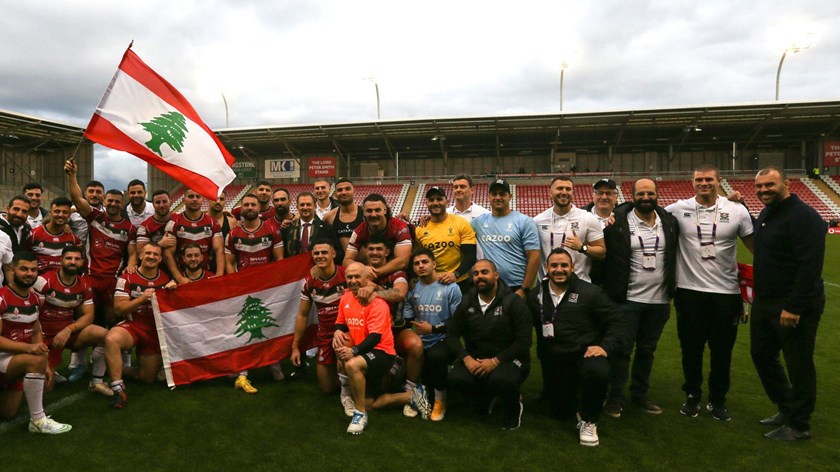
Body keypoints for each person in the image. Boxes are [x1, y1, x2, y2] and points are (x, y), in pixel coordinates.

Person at [665, 165, 754, 421]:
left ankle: (718, 399)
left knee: (722, 351)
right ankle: (692, 395)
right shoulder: (678, 209)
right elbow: (644, 210)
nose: (704, 183)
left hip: (726, 294)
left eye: (709, 179)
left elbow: (755, 244)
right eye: (699, 179)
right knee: (690, 350)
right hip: (689, 292)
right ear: (692, 182)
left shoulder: (736, 210)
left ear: (719, 181)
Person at [751, 167, 826, 441]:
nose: (763, 191)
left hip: (794, 304)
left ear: (786, 184)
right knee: (761, 354)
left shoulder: (804, 216)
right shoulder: (767, 213)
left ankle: (800, 424)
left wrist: (794, 307)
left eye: (769, 185)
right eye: (759, 187)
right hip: (766, 301)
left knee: (799, 364)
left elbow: (810, 267)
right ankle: (786, 407)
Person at [526, 248, 626, 447]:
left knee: (598, 372)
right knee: (560, 413)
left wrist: (605, 346)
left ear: (573, 267)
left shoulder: (591, 292)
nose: (559, 269)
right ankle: (578, 396)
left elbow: (618, 321)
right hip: (556, 359)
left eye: (564, 265)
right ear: (547, 268)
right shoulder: (536, 295)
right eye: (554, 265)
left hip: (585, 355)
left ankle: (590, 420)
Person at [602, 178, 679, 417]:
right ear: (632, 196)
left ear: (657, 194)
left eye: (650, 193)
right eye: (641, 193)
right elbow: (591, 212)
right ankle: (616, 397)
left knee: (647, 350)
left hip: (659, 300)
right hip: (628, 299)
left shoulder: (669, 221)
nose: (646, 197)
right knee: (622, 350)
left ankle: (640, 394)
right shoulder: (619, 220)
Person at [333, 262, 428, 434]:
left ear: (366, 279)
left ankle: (359, 414)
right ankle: (411, 396)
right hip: (363, 351)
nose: (353, 280)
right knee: (371, 403)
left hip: (382, 353)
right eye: (349, 277)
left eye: (357, 277)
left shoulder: (378, 303)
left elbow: (375, 337)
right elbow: (340, 322)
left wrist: (353, 351)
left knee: (351, 364)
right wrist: (337, 333)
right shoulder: (345, 298)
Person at [445, 259, 532, 430]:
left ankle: (514, 407)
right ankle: (486, 396)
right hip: (476, 359)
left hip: (509, 360)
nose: (480, 277)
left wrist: (495, 361)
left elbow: (524, 341)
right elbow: (451, 335)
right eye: (476, 274)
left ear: (496, 275)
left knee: (502, 380)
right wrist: (466, 358)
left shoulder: (514, 303)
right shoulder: (466, 302)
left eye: (485, 272)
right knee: (456, 379)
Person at [0, 252, 72, 434]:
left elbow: (36, 331)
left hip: (16, 361)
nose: (29, 273)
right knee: (35, 360)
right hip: (5, 359)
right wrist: (30, 350)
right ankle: (38, 420)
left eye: (33, 270)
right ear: (12, 269)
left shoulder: (34, 299)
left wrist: (45, 364)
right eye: (24, 269)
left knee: (7, 413)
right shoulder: (2, 298)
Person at [65, 160, 136, 327]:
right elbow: (77, 198)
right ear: (104, 201)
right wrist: (72, 175)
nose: (113, 204)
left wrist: (131, 265)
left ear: (122, 203)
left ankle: (112, 348)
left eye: (117, 201)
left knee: (113, 318)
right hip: (90, 276)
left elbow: (133, 253)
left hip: (112, 279)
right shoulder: (95, 217)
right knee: (84, 316)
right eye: (110, 201)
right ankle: (80, 352)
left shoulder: (130, 228)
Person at [224, 193, 284, 392]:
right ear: (241, 208)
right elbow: (229, 262)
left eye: (253, 204)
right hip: (243, 289)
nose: (249, 207)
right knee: (246, 329)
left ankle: (274, 363)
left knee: (270, 326)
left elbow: (279, 261)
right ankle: (243, 370)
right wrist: (236, 284)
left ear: (260, 208)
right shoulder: (233, 234)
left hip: (267, 288)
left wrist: (273, 285)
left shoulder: (272, 230)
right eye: (246, 204)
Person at [33, 246, 111, 396]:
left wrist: (68, 330)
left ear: (82, 262)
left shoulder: (84, 284)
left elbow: (89, 316)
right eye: (69, 258)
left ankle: (97, 382)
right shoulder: (44, 281)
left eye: (77, 259)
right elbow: (33, 314)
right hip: (43, 336)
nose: (72, 262)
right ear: (61, 260)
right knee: (46, 388)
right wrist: (38, 340)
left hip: (66, 333)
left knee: (104, 334)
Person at [105, 243, 174, 409]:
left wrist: (173, 291)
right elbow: (119, 308)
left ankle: (120, 369)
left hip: (155, 330)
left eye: (156, 254)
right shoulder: (126, 278)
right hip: (134, 325)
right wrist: (142, 299)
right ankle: (117, 387)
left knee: (147, 378)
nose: (151, 257)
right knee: (112, 338)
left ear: (160, 259)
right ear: (141, 256)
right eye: (148, 253)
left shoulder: (165, 278)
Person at [359, 236, 420, 418]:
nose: (375, 252)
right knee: (382, 387)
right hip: (369, 331)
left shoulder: (397, 273)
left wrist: (374, 290)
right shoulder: (361, 273)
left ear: (387, 252)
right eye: (371, 249)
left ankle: (411, 389)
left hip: (395, 330)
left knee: (415, 345)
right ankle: (347, 392)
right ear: (366, 252)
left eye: (379, 249)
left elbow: (399, 293)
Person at [403, 248, 462, 421]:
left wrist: (433, 329)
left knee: (437, 356)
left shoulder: (451, 288)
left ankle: (439, 401)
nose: (421, 266)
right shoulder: (412, 290)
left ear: (434, 264)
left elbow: (458, 324)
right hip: (421, 340)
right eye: (416, 263)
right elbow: (407, 319)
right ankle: (415, 395)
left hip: (444, 338)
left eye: (425, 262)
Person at [291, 238, 346, 394]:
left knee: (348, 365)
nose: (320, 256)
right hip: (325, 335)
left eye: (324, 252)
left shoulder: (346, 275)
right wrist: (295, 346)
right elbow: (302, 315)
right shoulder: (309, 283)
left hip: (345, 333)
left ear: (333, 254)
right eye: (316, 253)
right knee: (326, 389)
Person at [471, 179, 540, 298]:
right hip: (491, 287)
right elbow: (457, 230)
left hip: (517, 286)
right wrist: (430, 219)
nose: (498, 197)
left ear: (510, 196)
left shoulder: (524, 221)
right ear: (489, 197)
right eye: (494, 194)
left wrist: (524, 289)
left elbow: (534, 256)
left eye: (502, 194)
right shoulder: (479, 222)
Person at [533, 176, 605, 282]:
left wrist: (582, 247)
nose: (564, 192)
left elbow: (601, 252)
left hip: (579, 285)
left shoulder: (587, 218)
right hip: (548, 286)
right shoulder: (538, 221)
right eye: (559, 188)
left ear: (572, 192)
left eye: (568, 189)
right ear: (550, 192)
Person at [415, 186, 477, 294]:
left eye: (439, 199)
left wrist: (455, 274)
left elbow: (470, 255)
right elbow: (417, 259)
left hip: (459, 282)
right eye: (431, 200)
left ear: (447, 202)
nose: (435, 203)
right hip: (431, 283)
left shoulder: (461, 223)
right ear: (426, 203)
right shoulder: (420, 229)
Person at [162, 188, 224, 284]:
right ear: (183, 200)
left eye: (198, 196)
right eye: (191, 196)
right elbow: (168, 254)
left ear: (202, 200)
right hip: (183, 277)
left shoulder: (212, 223)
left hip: (207, 276)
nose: (194, 199)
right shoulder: (174, 222)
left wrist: (219, 276)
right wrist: (180, 278)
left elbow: (219, 251)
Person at [343, 193, 412, 278]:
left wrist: (374, 273)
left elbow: (403, 262)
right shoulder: (358, 231)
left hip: (396, 274)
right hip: (370, 274)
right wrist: (363, 269)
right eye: (369, 211)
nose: (373, 214)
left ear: (385, 210)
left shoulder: (400, 227)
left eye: (377, 210)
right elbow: (346, 261)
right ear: (363, 212)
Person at [282, 191, 340, 261]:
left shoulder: (327, 228)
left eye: (308, 204)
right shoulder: (288, 229)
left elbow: (338, 252)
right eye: (302, 205)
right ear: (297, 207)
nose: (305, 207)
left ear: (315, 206)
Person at [31, 197, 81, 274]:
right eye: (57, 211)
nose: (61, 215)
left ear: (69, 214)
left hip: (62, 282)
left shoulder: (73, 238)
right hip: (39, 282)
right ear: (50, 212)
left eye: (65, 212)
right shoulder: (34, 234)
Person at [322, 178, 364, 254]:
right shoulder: (329, 217)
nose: (344, 192)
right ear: (335, 193)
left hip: (364, 264)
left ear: (354, 191)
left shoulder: (365, 214)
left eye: (347, 189)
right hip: (340, 264)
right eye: (340, 190)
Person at [134, 190, 173, 256]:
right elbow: (140, 253)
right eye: (158, 202)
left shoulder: (178, 220)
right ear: (153, 205)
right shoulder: (144, 227)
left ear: (170, 203)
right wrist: (160, 244)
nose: (161, 205)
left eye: (164, 201)